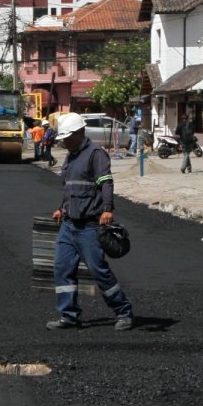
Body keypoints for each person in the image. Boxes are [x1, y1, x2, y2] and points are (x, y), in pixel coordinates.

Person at [46, 112, 135, 331]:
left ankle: (123, 311)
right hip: (69, 225)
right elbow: (71, 188)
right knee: (62, 269)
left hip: (89, 227)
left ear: (79, 133)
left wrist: (107, 209)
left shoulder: (96, 154)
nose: (64, 142)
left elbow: (106, 183)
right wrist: (62, 208)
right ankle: (69, 315)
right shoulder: (71, 156)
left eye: (67, 137)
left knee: (99, 271)